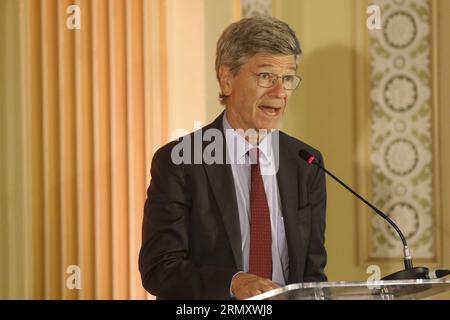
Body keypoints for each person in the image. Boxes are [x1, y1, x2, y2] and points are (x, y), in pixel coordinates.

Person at [139, 16, 327, 300]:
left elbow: (312, 273)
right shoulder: (180, 161)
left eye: (287, 78)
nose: (280, 92)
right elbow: (160, 268)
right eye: (265, 76)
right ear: (227, 79)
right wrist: (233, 283)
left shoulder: (305, 162)